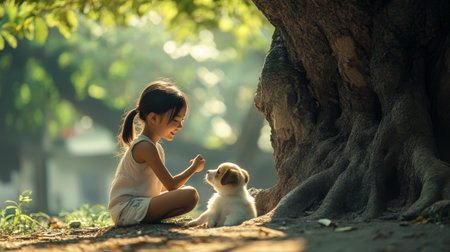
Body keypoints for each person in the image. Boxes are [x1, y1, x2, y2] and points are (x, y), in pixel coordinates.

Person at [108, 79, 205, 226]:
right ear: (153, 117)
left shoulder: (155, 147)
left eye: (182, 120)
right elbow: (171, 185)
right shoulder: (144, 146)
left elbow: (160, 187)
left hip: (140, 203)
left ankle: (151, 219)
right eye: (175, 120)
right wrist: (193, 168)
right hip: (126, 209)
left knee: (187, 194)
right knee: (190, 194)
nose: (180, 126)